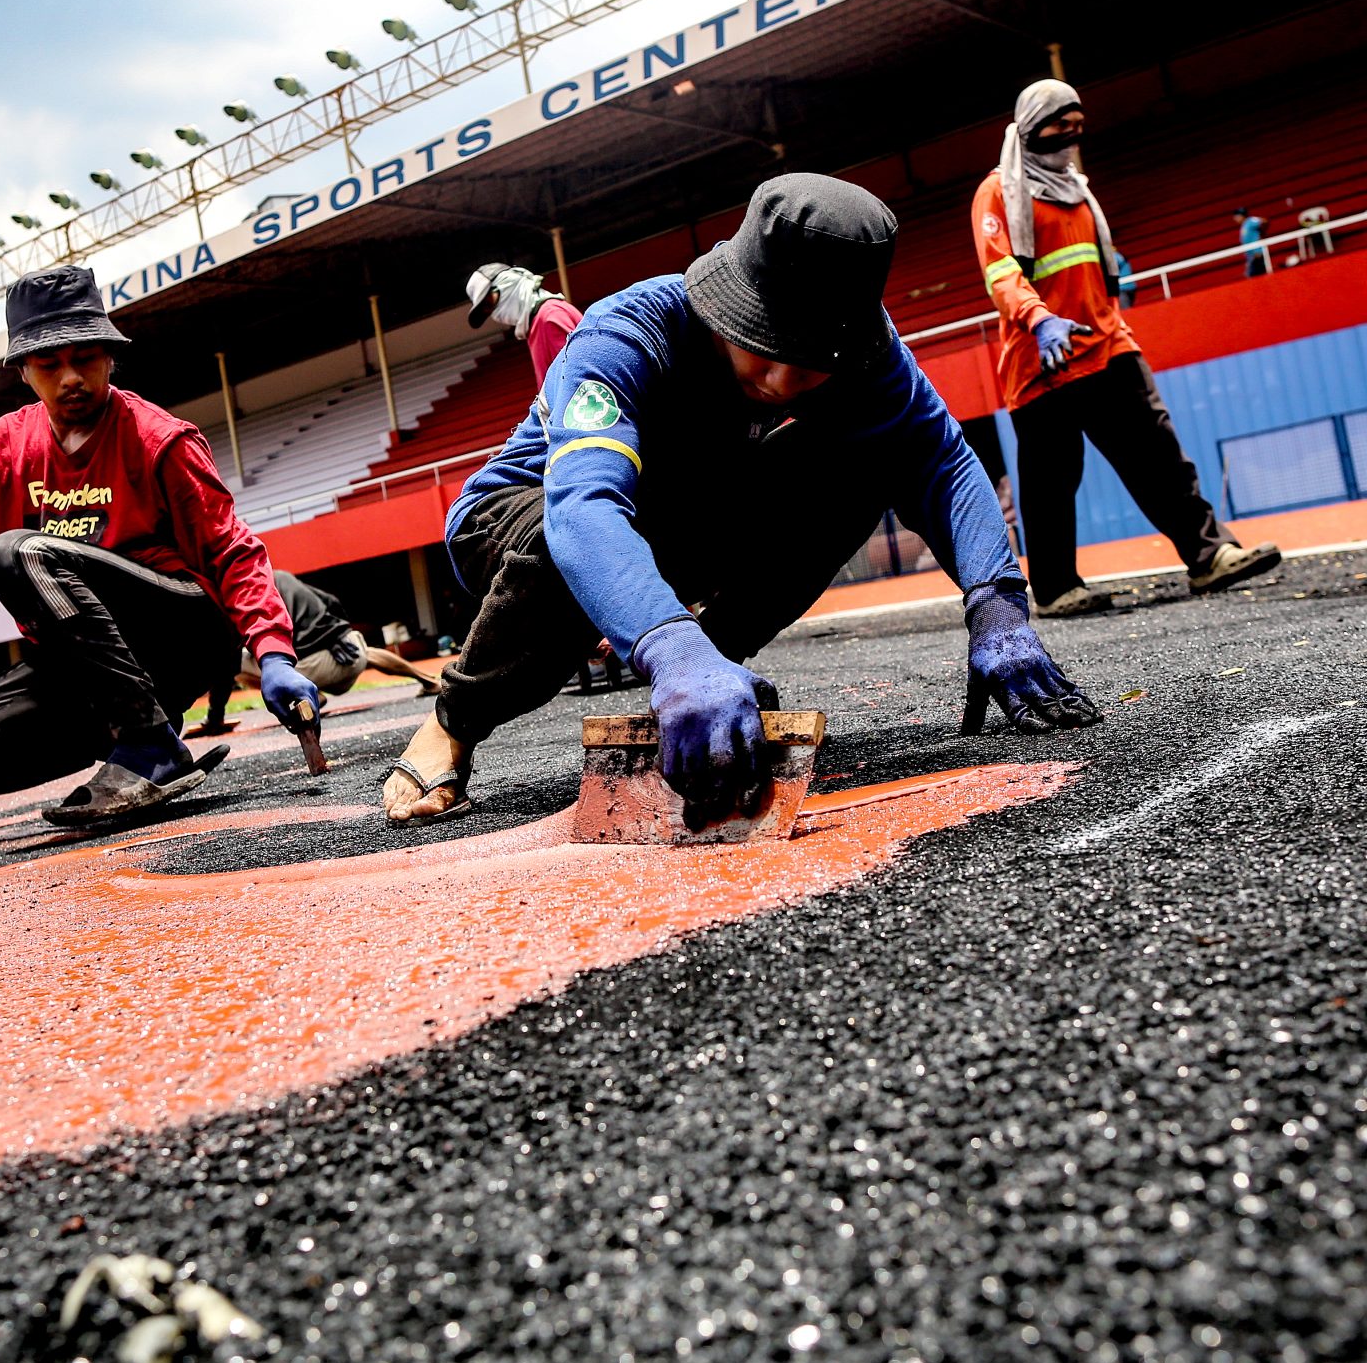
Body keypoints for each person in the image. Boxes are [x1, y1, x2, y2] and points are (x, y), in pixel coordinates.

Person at [381, 173, 1099, 824]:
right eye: (765, 345)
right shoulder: (627, 333)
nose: (784, 382)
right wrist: (666, 645)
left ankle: (714, 667)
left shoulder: (871, 355)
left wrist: (996, 601)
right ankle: (452, 722)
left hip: (680, 515)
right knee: (570, 535)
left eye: (813, 363)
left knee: (865, 463)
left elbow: (938, 459)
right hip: (520, 516)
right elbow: (584, 513)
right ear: (730, 301)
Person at [0, 266, 322, 826]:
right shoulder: (0, 451)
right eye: (49, 364)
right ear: (23, 371)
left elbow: (230, 550)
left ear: (109, 357)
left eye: (85, 358)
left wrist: (271, 654)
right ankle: (133, 739)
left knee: (15, 553)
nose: (70, 376)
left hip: (184, 635)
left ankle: (151, 748)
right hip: (94, 663)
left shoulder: (159, 440)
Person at [972, 79, 1282, 618]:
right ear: (1029, 126)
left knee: (1160, 458)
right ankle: (1055, 588)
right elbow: (1000, 272)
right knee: (1050, 483)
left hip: (1107, 346)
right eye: (1058, 124)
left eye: (1077, 124)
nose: (1070, 134)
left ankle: (1210, 556)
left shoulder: (1077, 190)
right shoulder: (998, 191)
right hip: (1041, 360)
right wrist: (1039, 319)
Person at [190, 568, 441, 738]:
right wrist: (337, 632)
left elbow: (226, 662)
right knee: (364, 650)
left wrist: (214, 719)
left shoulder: (251, 594)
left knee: (236, 661)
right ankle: (429, 681)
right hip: (346, 650)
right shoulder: (284, 576)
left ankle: (308, 695)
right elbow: (331, 600)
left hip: (315, 665)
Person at [465, 261, 582, 379]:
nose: (494, 313)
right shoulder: (536, 324)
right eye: (487, 310)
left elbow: (579, 379)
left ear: (509, 282)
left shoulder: (549, 317)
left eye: (490, 301)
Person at [1235, 208, 1271, 278]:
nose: (1235, 219)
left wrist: (1263, 232)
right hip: (1252, 258)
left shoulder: (1250, 221)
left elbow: (1264, 221)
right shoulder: (1244, 226)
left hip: (1257, 255)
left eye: (1237, 216)